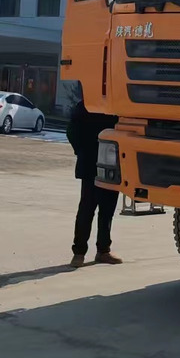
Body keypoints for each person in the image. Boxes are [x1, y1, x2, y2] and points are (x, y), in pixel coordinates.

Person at [66, 97, 121, 267]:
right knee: (87, 208)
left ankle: (103, 251)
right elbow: (72, 131)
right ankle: (79, 252)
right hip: (91, 163)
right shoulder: (86, 105)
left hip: (111, 164)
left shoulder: (117, 106)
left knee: (107, 209)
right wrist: (81, 151)